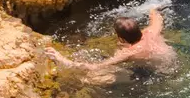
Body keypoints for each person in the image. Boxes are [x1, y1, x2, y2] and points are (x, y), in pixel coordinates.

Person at [48, 6, 176, 82]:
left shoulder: (129, 52)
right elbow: (157, 16)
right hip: (173, 63)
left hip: (161, 75)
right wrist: (153, 9)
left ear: (122, 39)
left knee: (92, 78)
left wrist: (61, 59)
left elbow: (96, 66)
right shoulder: (152, 31)